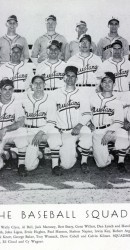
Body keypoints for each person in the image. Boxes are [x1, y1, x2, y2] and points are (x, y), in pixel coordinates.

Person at [49, 66, 92, 176]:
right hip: (64, 131)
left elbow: (87, 113)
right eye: (68, 76)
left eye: (73, 76)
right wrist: (55, 129)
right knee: (67, 165)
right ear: (63, 77)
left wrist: (79, 125)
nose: (70, 78)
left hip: (78, 128)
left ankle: (84, 161)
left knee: (87, 131)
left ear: (76, 79)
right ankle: (60, 161)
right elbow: (51, 114)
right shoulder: (55, 94)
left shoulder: (82, 93)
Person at [21, 75, 62, 172]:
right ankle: (38, 153)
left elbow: (52, 121)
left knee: (55, 134)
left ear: (44, 85)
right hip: (30, 131)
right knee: (29, 167)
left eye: (41, 83)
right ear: (31, 86)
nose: (38, 85)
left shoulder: (50, 100)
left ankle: (55, 165)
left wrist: (41, 132)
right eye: (36, 83)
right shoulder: (25, 99)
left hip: (45, 130)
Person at [89, 72, 127, 172]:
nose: (107, 84)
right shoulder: (92, 98)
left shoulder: (117, 101)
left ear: (114, 84)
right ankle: (112, 155)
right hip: (97, 131)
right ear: (101, 84)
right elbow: (85, 113)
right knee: (101, 164)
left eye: (110, 81)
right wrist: (89, 123)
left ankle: (121, 161)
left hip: (112, 129)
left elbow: (119, 121)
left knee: (123, 135)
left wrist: (109, 132)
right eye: (104, 81)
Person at [0, 79, 28, 176]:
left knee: (22, 132)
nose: (8, 92)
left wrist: (5, 129)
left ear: (13, 90)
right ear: (0, 90)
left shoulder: (16, 103)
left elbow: (20, 122)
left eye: (10, 89)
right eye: (5, 89)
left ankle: (21, 165)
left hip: (10, 133)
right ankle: (6, 156)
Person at [102, 39, 130, 113]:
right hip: (113, 93)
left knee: (127, 116)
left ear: (122, 50)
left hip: (126, 93)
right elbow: (99, 79)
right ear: (111, 50)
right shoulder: (105, 64)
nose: (116, 51)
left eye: (119, 48)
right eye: (114, 48)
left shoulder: (128, 63)